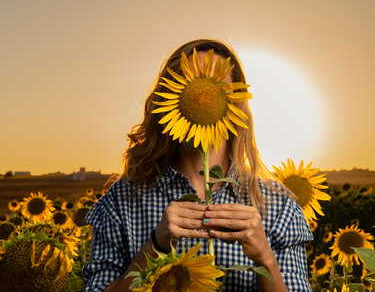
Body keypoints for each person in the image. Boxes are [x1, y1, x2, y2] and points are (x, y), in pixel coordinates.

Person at [82, 39, 313, 291]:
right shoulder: (121, 202)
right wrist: (154, 247)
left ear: (237, 101)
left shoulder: (277, 206)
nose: (204, 93)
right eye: (189, 82)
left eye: (218, 84)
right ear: (169, 97)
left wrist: (265, 259)